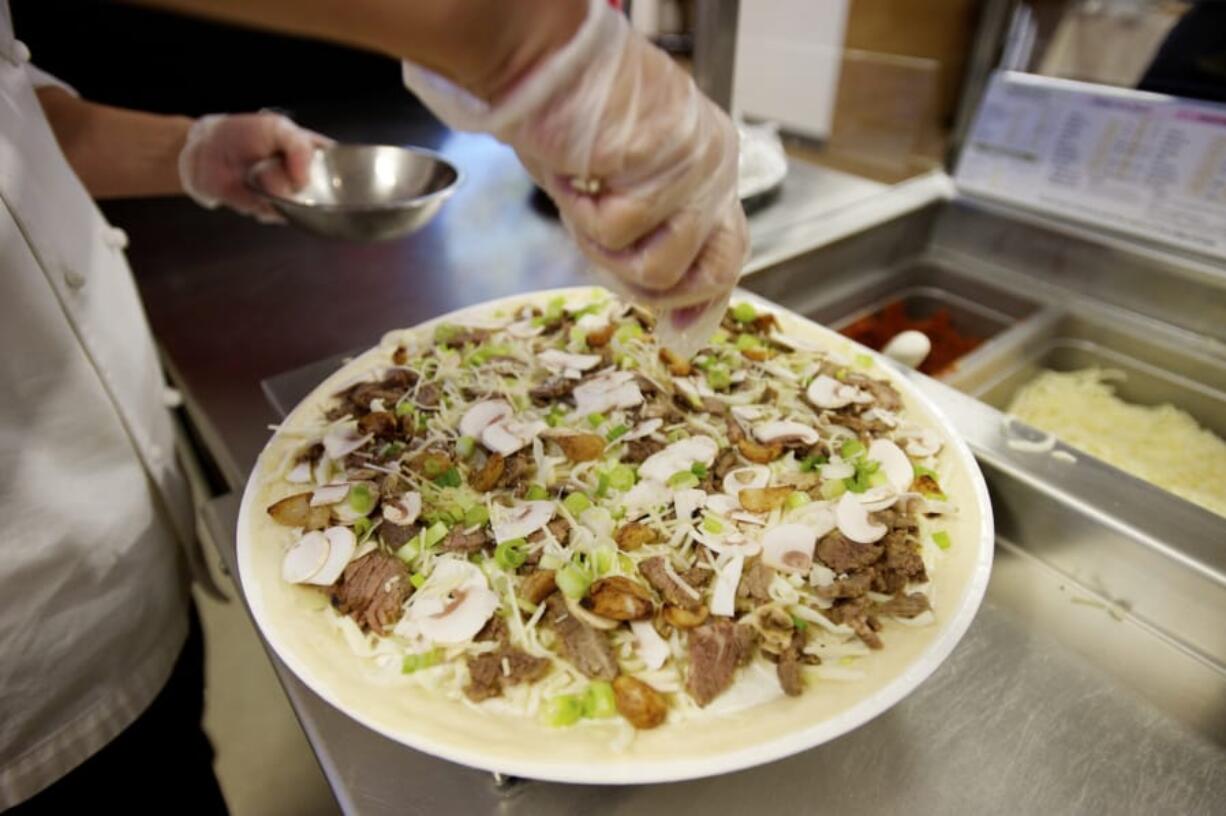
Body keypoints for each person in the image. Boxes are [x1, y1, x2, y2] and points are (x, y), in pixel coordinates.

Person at [0, 0, 745, 810]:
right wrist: (540, 44)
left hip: (121, 556)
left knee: (176, 749)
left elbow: (15, 113)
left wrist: (191, 151)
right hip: (29, 679)